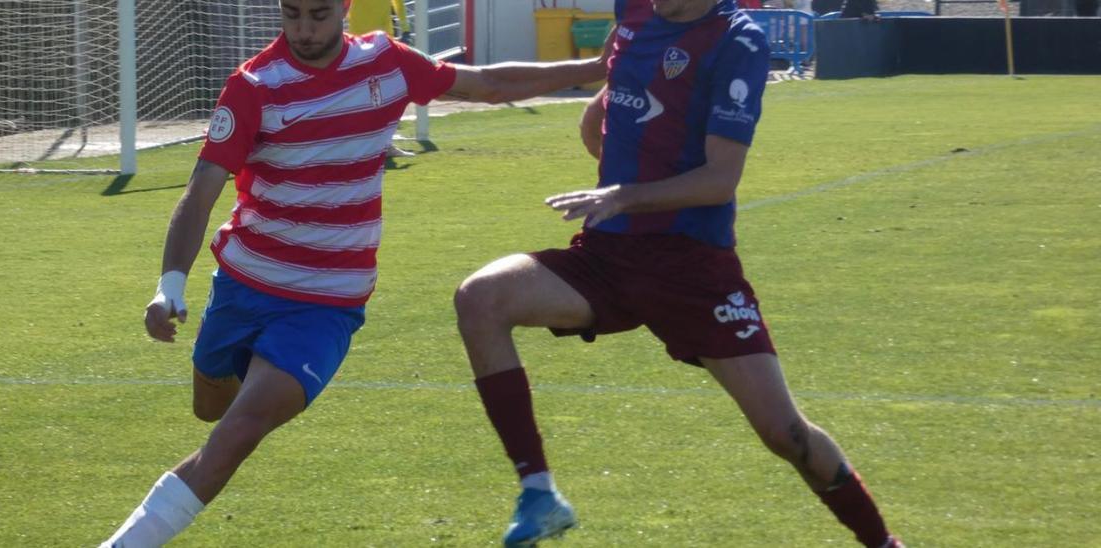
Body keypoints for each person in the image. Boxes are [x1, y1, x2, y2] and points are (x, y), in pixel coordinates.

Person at [96, 0, 608, 546]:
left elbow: (488, 83)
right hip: (244, 285)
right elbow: (200, 195)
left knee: (237, 433)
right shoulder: (253, 86)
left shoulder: (386, 63)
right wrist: (168, 285)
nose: (303, 29)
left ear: (344, 8)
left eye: (317, 15)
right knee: (211, 409)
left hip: (327, 304)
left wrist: (589, 69)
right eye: (291, 14)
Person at [452, 0, 903, 546]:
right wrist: (604, 126)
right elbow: (608, 102)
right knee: (480, 299)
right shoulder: (635, 13)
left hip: (694, 270)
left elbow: (720, 180)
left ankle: (882, 542)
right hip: (608, 256)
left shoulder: (736, 41)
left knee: (785, 435)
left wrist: (625, 193)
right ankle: (540, 492)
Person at [348, 0, 416, 157]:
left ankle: (383, 143)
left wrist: (405, 29)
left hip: (384, 40)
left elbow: (398, 2)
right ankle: (372, 142)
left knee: (382, 92)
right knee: (368, 93)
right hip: (359, 40)